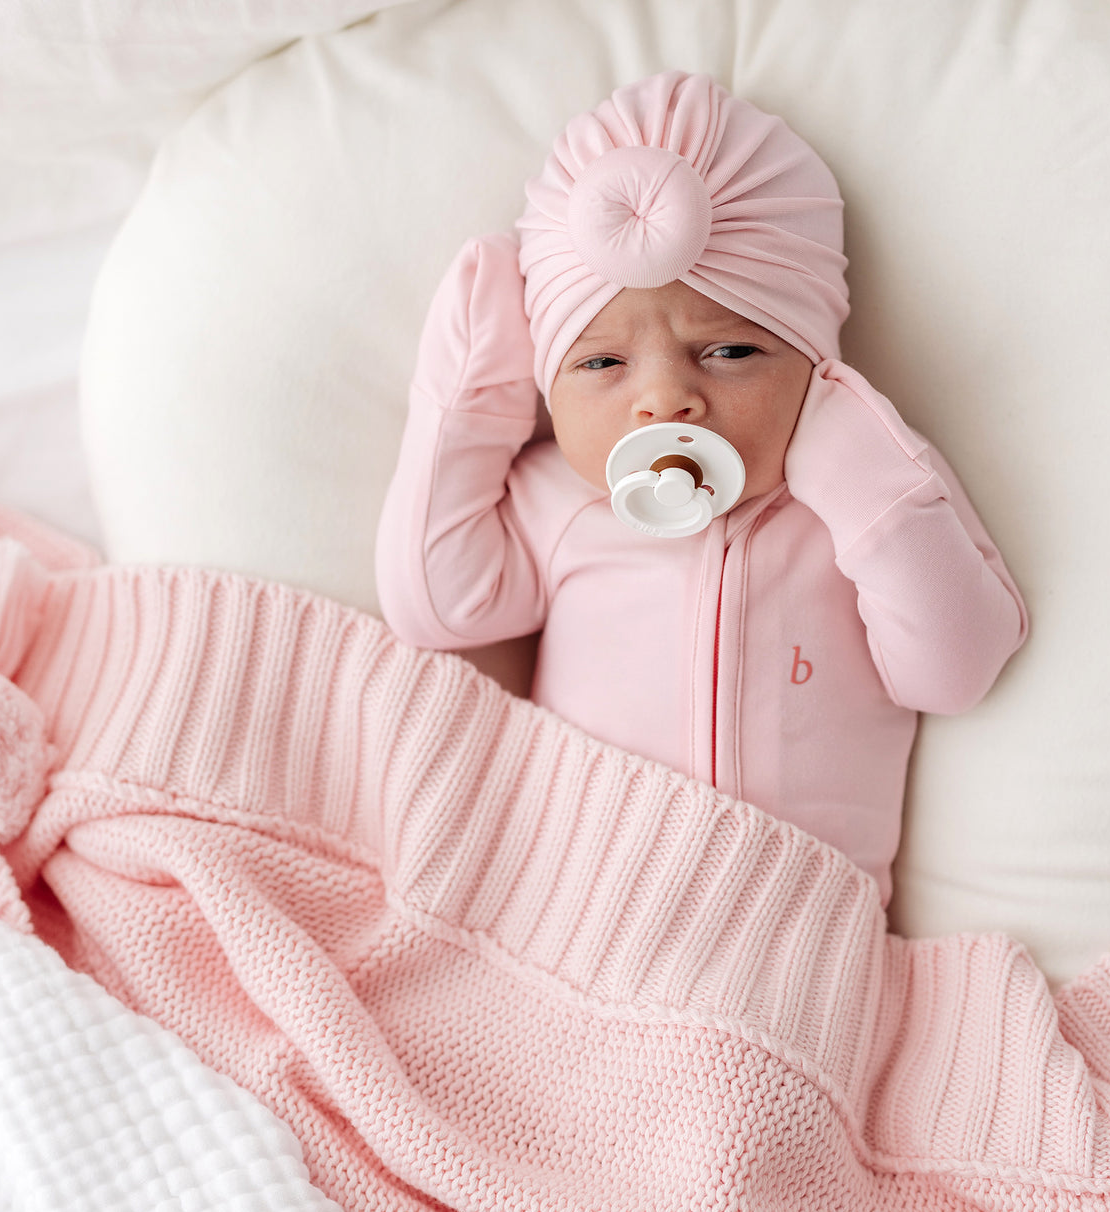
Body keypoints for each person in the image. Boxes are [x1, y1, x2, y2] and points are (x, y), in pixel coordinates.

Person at [375, 71, 1027, 902]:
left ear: (816, 362)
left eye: (729, 352)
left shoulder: (872, 493)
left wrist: (864, 479)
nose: (664, 399)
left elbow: (955, 670)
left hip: (792, 927)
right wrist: (467, 404)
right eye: (602, 363)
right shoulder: (564, 502)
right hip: (582, 905)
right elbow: (436, 603)